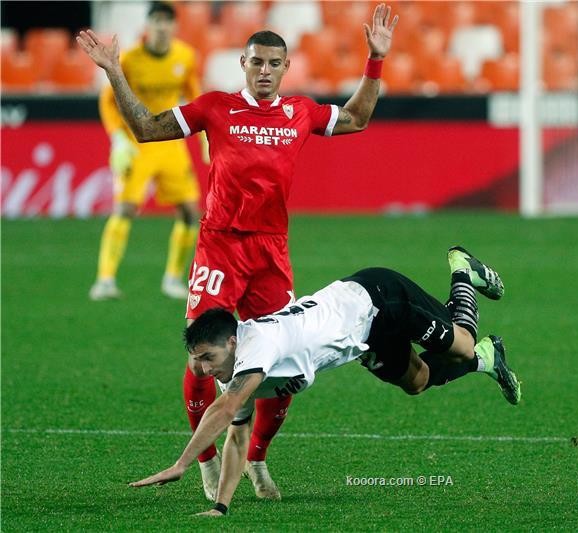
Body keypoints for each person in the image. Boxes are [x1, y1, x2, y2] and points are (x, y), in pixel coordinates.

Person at [77, 4, 400, 503]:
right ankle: (207, 461)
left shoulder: (300, 112)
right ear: (243, 64)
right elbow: (146, 128)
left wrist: (375, 60)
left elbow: (356, 117)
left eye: (274, 64)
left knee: (281, 366)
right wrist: (115, 71)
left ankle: (257, 459)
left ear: (286, 67)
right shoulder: (215, 107)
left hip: (271, 252)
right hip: (220, 246)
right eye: (257, 62)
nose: (265, 71)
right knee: (201, 357)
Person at [130, 246, 521, 516]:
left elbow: (226, 409)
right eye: (197, 360)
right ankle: (487, 359)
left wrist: (181, 464)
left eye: (208, 359)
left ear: (232, 343)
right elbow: (236, 436)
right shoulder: (231, 370)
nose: (202, 369)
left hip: (380, 298)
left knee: (461, 344)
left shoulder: (258, 344)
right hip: (365, 334)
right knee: (417, 381)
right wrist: (221, 507)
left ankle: (462, 269)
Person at [89, 1, 206, 301]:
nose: (162, 27)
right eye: (156, 21)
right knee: (125, 208)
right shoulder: (130, 59)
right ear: (148, 25)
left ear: (174, 26)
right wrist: (117, 139)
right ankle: (105, 279)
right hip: (136, 144)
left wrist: (205, 138)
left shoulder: (185, 56)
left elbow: (195, 97)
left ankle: (173, 278)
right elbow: (107, 101)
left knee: (189, 211)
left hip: (170, 143)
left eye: (167, 21)